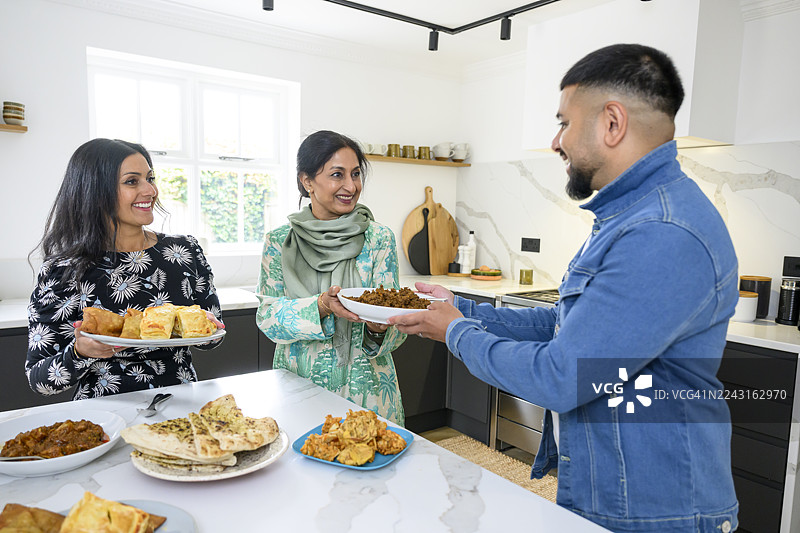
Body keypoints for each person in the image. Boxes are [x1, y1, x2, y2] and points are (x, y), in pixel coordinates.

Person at [389, 44, 739, 532]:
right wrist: (461, 308)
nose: (557, 142)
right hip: (615, 493)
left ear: (611, 123)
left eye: (564, 123)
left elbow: (562, 377)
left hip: (657, 511)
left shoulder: (661, 232)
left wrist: (456, 332)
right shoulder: (626, 218)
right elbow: (563, 325)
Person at [27, 138, 224, 399]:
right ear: (95, 191)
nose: (150, 190)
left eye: (150, 178)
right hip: (103, 416)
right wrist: (80, 353)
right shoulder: (63, 269)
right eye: (132, 181)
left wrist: (209, 330)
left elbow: (214, 337)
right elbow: (40, 380)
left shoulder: (184, 251)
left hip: (182, 407)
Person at [255, 130, 407, 425]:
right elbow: (268, 318)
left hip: (367, 391)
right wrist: (321, 306)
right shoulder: (279, 242)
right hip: (299, 386)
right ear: (307, 181)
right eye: (337, 175)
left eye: (356, 174)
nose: (350, 186)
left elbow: (397, 323)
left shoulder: (379, 239)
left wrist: (380, 327)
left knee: (376, 465)